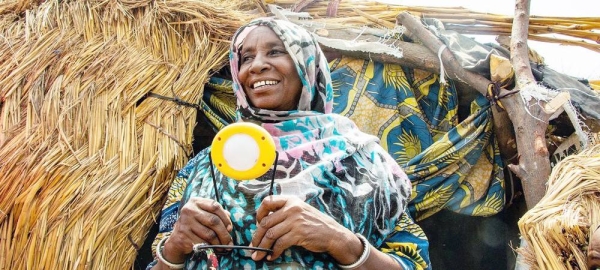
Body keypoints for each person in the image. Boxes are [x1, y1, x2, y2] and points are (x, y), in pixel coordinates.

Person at [148, 17, 430, 270]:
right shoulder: (205, 165)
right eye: (246, 58)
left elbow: (414, 263)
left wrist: (340, 241)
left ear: (307, 66)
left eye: (275, 51)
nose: (257, 65)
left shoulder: (363, 160)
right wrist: (173, 249)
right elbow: (160, 263)